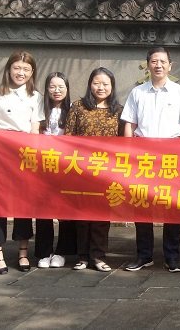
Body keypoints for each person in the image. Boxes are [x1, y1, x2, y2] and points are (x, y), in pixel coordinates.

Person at [121, 47, 180, 273]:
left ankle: (172, 256)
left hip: (172, 155)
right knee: (142, 205)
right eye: (154, 61)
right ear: (148, 65)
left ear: (170, 66)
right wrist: (128, 154)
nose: (158, 65)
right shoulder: (137, 93)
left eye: (163, 61)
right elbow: (130, 124)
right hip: (143, 156)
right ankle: (144, 255)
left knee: (172, 205)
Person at [0, 50, 44, 274]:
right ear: (8, 69)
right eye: (17, 68)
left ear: (32, 72)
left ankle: (23, 252)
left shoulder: (35, 96)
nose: (21, 73)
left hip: (23, 154)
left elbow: (35, 128)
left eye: (26, 69)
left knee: (23, 203)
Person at [65, 67, 124, 272]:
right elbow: (68, 136)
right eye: (97, 83)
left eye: (105, 84)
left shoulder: (118, 110)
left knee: (101, 216)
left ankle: (98, 256)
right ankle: (82, 257)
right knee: (82, 215)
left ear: (112, 86)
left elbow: (123, 142)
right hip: (81, 168)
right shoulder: (78, 107)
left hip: (106, 170)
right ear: (90, 84)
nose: (101, 87)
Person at [34, 72, 77, 269]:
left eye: (61, 87)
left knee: (65, 210)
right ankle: (44, 252)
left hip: (66, 166)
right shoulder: (39, 109)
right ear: (46, 89)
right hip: (43, 167)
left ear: (67, 89)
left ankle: (62, 251)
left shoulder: (73, 109)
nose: (56, 90)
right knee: (43, 210)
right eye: (52, 87)